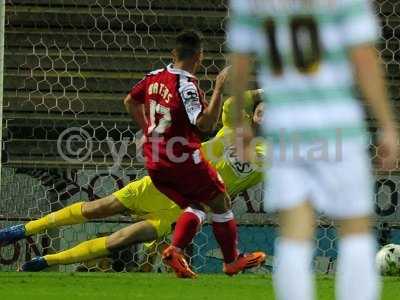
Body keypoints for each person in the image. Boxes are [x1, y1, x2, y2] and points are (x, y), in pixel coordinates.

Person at [229, 1, 399, 300]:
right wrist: (386, 123)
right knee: (354, 227)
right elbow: (364, 58)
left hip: (285, 127)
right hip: (337, 125)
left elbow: (240, 61)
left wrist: (240, 124)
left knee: (295, 230)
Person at [0, 90, 267, 273]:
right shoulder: (234, 126)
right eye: (262, 111)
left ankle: (45, 261)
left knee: (121, 240)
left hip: (180, 209)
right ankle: (20, 231)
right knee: (98, 208)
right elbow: (232, 102)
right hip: (164, 184)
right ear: (253, 113)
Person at [125, 30, 265, 278]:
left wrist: (147, 129)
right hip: (182, 158)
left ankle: (175, 251)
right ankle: (231, 261)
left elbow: (129, 101)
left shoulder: (154, 77)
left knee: (195, 206)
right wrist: (219, 88)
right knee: (221, 201)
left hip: (155, 160)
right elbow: (206, 125)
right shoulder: (187, 87)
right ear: (199, 56)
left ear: (173, 53)